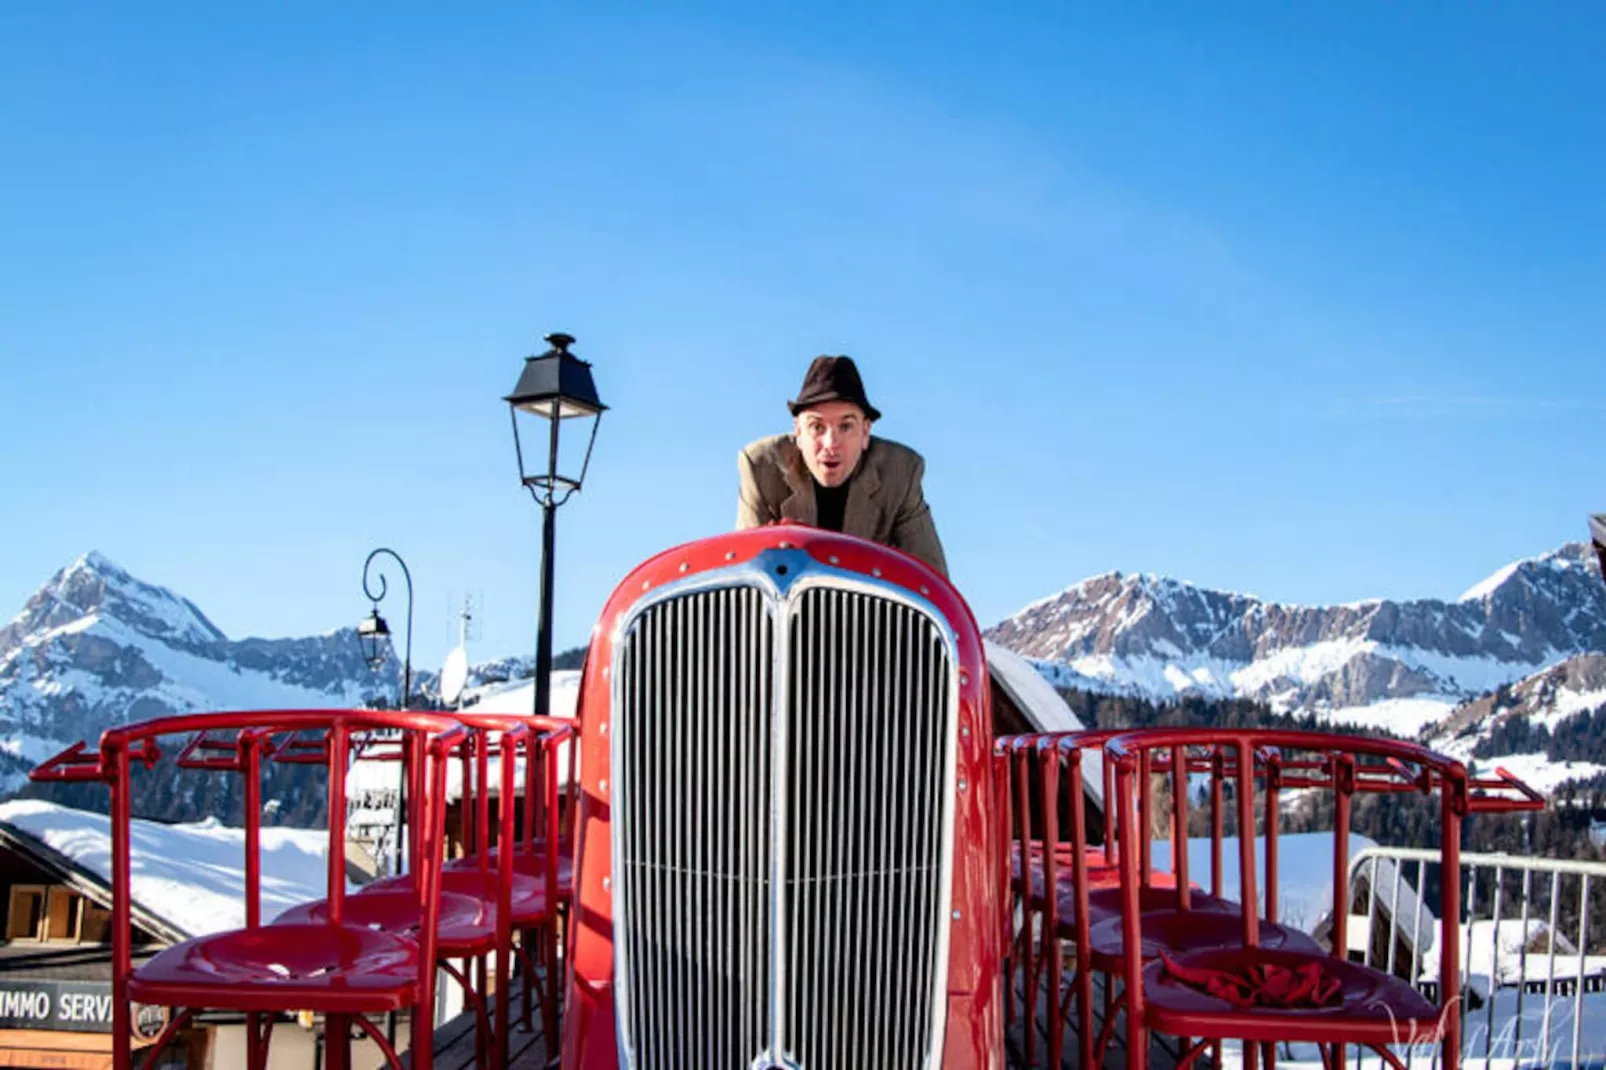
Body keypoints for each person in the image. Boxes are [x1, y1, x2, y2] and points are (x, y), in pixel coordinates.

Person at [736, 355, 948, 577]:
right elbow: (745, 576)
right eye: (817, 427)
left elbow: (933, 578)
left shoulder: (901, 473)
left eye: (846, 427)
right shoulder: (760, 467)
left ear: (865, 433)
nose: (831, 444)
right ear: (798, 432)